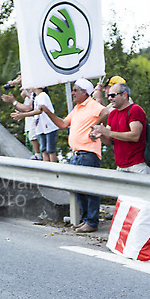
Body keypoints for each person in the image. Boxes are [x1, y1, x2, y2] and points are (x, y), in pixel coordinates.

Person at [41, 78, 109, 233]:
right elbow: (63, 124)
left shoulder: (91, 104)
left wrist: (95, 127)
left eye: (75, 90)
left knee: (89, 189)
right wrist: (47, 111)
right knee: (79, 189)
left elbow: (106, 111)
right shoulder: (78, 108)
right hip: (77, 154)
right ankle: (86, 220)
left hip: (88, 154)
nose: (72, 93)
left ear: (85, 92)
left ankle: (91, 222)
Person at [90, 83, 150, 174]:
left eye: (112, 95)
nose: (109, 98)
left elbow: (135, 136)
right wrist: (100, 135)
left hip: (138, 165)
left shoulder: (135, 110)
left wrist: (108, 133)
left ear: (124, 95)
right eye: (108, 96)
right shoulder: (113, 114)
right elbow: (108, 141)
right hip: (121, 166)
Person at [10, 87, 59, 162]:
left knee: (50, 150)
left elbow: (39, 110)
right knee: (43, 149)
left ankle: (54, 170)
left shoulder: (43, 95)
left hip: (49, 127)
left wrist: (23, 115)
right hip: (42, 127)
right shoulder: (37, 97)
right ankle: (47, 169)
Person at [1, 74, 41, 160]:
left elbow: (29, 108)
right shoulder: (27, 92)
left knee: (40, 153)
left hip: (37, 128)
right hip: (28, 127)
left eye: (20, 77)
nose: (18, 80)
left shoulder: (34, 90)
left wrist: (14, 101)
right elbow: (25, 108)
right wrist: (14, 104)